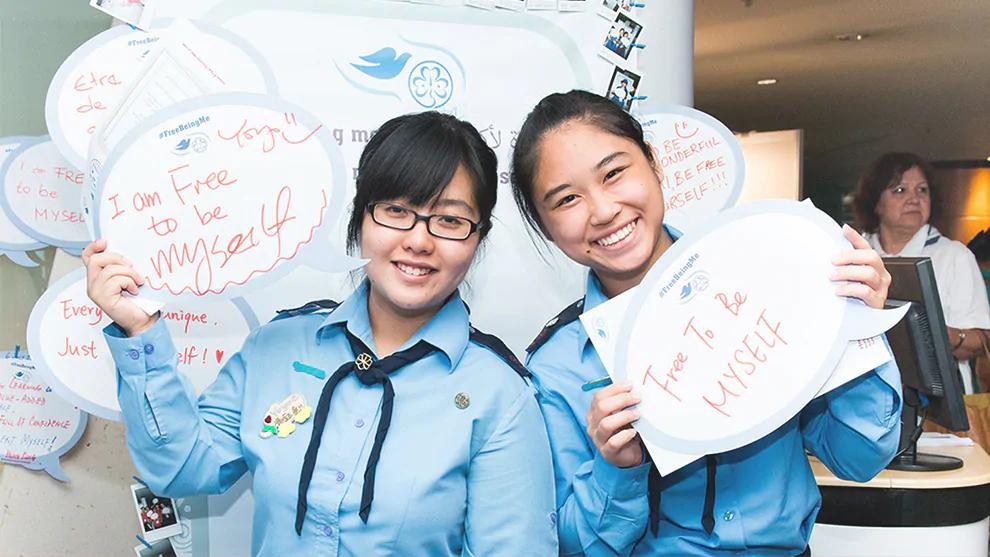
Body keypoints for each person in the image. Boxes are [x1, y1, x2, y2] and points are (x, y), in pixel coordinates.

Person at [84, 111, 558, 556]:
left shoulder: (499, 394)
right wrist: (140, 330)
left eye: (450, 220)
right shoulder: (279, 346)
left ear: (479, 238)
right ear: (361, 217)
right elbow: (182, 470)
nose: (418, 239)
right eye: (396, 210)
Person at [511, 90, 901, 556]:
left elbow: (860, 458)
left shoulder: (767, 280)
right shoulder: (557, 366)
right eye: (567, 199)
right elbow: (575, 546)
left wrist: (858, 328)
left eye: (614, 173)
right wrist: (614, 467)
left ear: (653, 163)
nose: (603, 210)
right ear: (545, 225)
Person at [853, 152, 990, 393]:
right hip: (864, 394)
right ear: (876, 202)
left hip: (939, 401)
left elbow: (981, 340)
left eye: (922, 190)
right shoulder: (855, 257)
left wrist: (939, 335)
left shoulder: (954, 256)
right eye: (900, 190)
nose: (914, 199)